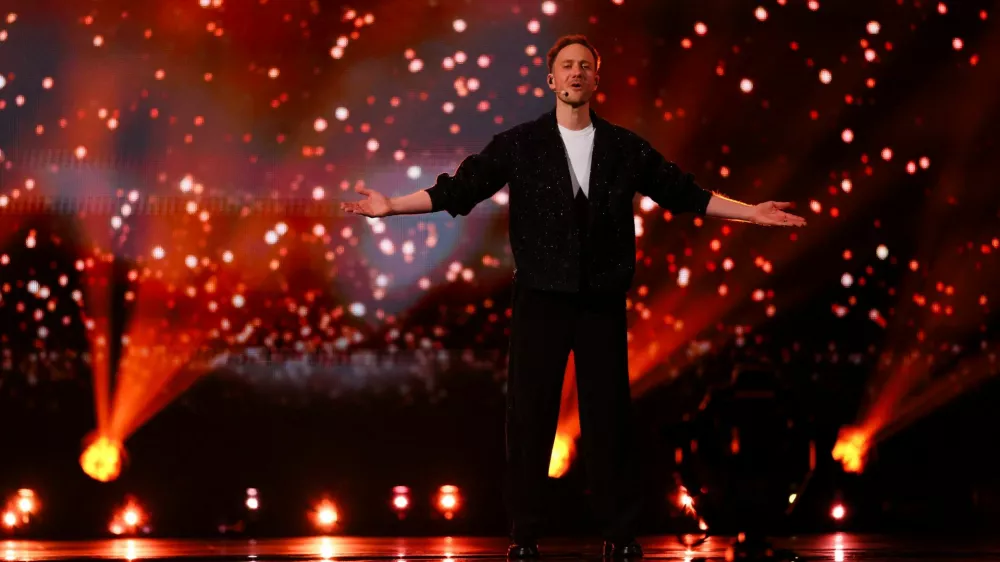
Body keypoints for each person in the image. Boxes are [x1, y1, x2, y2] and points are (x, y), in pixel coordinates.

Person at [341, 34, 806, 559]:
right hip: (540, 298)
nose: (576, 73)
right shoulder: (519, 144)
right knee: (530, 417)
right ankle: (523, 535)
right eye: (567, 66)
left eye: (585, 65)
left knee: (609, 419)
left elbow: (686, 194)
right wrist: (391, 207)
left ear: (596, 79)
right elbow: (459, 189)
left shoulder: (624, 147)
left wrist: (752, 212)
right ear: (551, 79)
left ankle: (620, 532)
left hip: (602, 301)